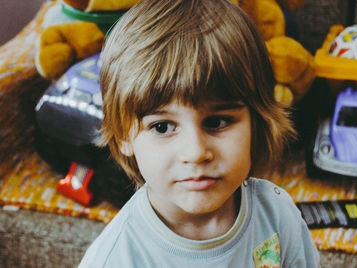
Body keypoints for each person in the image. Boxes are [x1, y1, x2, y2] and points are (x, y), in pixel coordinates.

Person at [79, 0, 320, 267]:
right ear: (124, 135)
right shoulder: (116, 259)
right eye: (162, 127)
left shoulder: (278, 214)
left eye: (217, 122)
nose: (195, 153)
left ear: (257, 120)